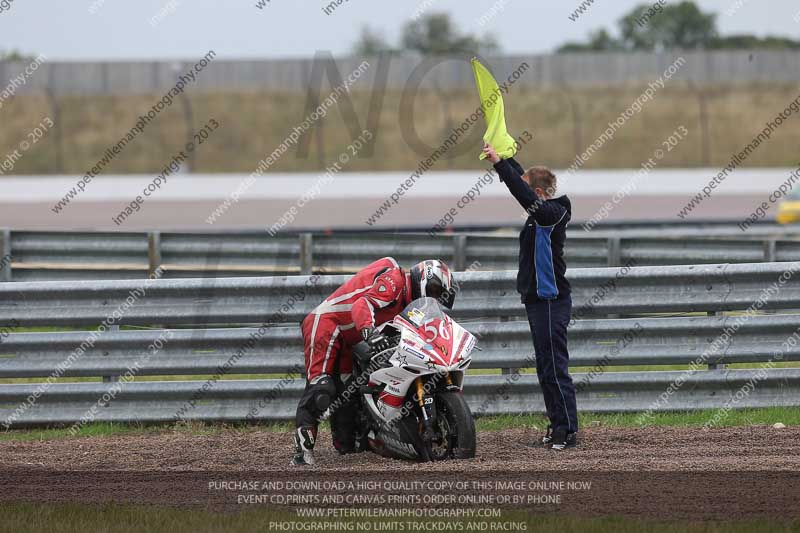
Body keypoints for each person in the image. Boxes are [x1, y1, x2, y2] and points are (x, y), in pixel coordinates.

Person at [291, 257, 456, 466]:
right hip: (326, 323)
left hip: (352, 337)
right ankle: (301, 454)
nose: (435, 298)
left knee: (348, 394)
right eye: (433, 291)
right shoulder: (395, 281)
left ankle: (350, 447)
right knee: (321, 390)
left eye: (438, 296)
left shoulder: (411, 306)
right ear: (424, 279)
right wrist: (370, 331)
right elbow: (363, 304)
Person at [483, 142, 578, 450]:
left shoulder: (551, 213)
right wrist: (506, 155)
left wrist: (499, 164)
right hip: (538, 302)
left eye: (530, 194)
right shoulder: (543, 208)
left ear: (539, 195)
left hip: (550, 300)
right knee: (544, 368)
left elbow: (520, 190)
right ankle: (557, 425)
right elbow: (522, 179)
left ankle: (567, 430)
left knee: (554, 367)